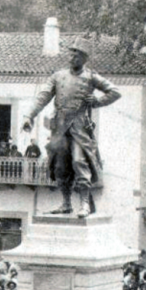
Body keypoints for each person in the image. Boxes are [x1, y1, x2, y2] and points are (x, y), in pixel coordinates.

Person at [23, 38, 121, 218]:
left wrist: (98, 102)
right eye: (71, 52)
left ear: (84, 58)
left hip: (79, 126)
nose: (72, 56)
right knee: (60, 166)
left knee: (78, 161)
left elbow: (114, 91)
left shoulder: (91, 77)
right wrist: (29, 116)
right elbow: (42, 97)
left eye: (77, 53)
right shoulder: (58, 76)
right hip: (59, 127)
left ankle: (84, 204)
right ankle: (66, 203)